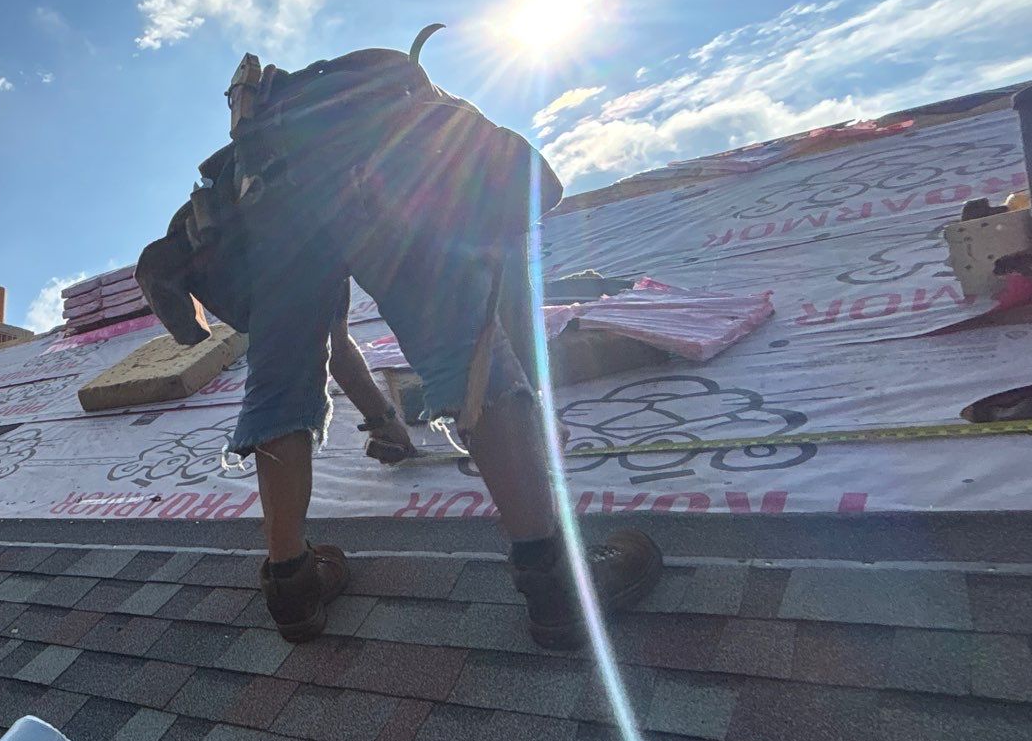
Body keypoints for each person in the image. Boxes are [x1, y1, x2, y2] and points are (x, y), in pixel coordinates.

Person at [137, 41, 661, 646]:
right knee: (462, 349)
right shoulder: (411, 128)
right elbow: (504, 276)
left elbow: (321, 342)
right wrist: (527, 401)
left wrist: (383, 418)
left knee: (275, 382)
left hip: (271, 216)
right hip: (372, 172)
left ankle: (291, 584)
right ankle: (556, 582)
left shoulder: (269, 173)